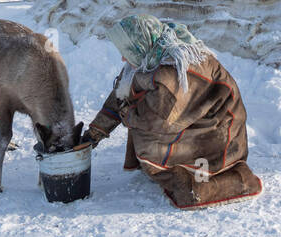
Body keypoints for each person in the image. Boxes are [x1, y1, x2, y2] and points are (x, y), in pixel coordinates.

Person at [83, 15, 263, 208]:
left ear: (139, 45)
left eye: (126, 51)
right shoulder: (148, 55)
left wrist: (128, 114)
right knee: (136, 110)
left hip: (218, 133)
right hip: (189, 120)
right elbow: (120, 95)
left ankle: (237, 179)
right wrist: (93, 135)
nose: (123, 58)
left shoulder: (173, 71)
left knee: (182, 182)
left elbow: (157, 122)